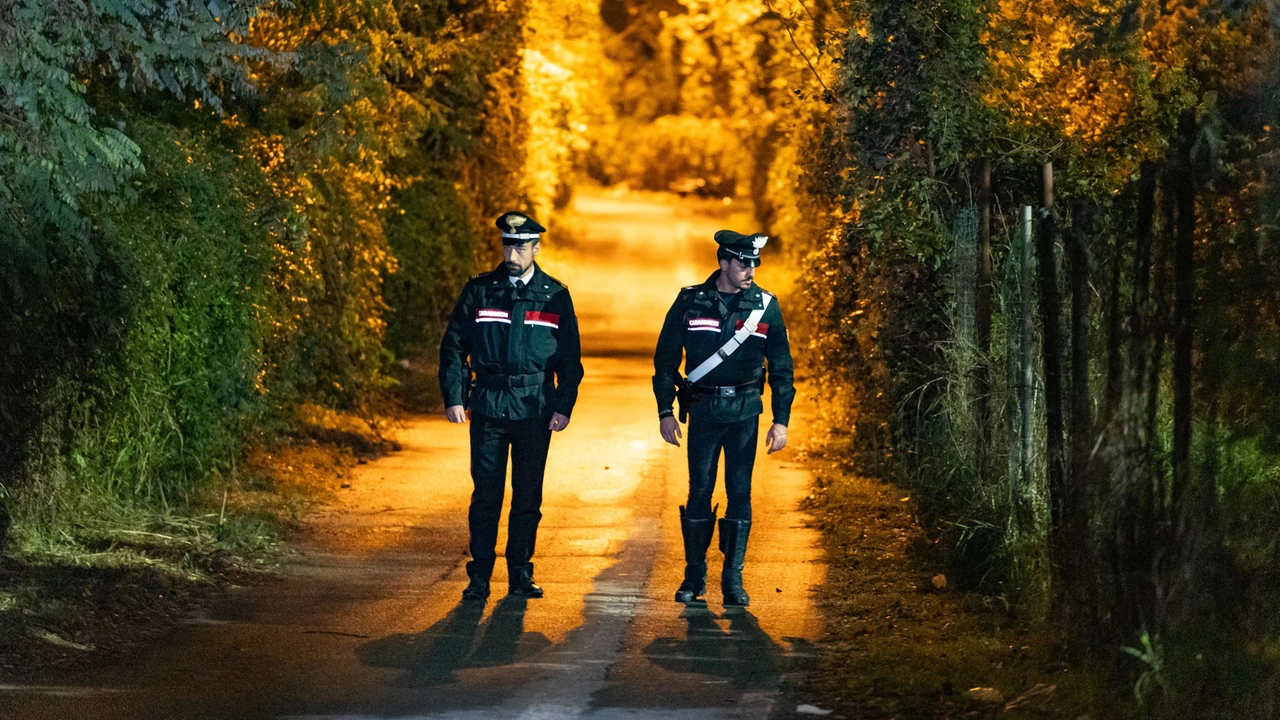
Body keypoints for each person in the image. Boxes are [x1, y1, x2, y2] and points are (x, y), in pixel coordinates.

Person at [439, 211, 583, 601]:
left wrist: (563, 406)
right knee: (486, 496)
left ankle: (520, 571)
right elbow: (454, 346)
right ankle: (480, 575)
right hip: (487, 406)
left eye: (520, 246)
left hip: (534, 409)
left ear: (536, 248)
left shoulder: (554, 295)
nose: (512, 251)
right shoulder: (480, 291)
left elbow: (570, 359)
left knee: (527, 498)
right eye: (507, 244)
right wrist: (455, 396)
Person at [652, 230, 795, 607]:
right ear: (724, 263)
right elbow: (665, 360)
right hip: (702, 411)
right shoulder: (690, 302)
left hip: (745, 411)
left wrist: (781, 420)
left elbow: (781, 367)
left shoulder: (765, 306)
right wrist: (666, 411)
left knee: (740, 490)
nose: (750, 270)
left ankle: (733, 579)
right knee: (699, 489)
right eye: (743, 263)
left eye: (754, 263)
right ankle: (694, 575)